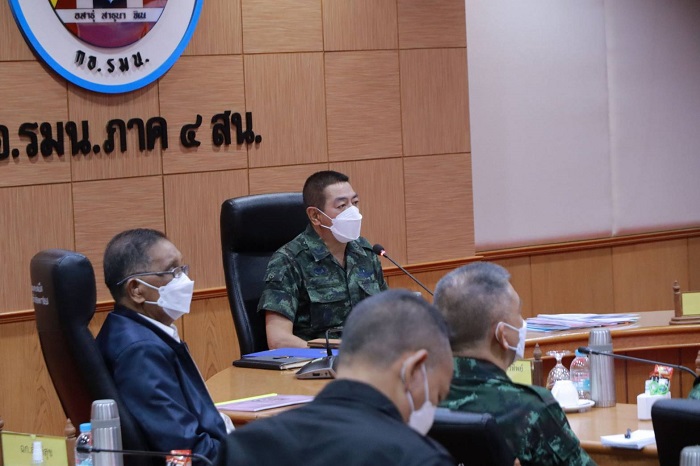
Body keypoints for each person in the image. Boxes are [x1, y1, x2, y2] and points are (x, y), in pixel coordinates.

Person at [220, 289, 455, 466]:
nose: (432, 408)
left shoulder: (245, 446)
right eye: (436, 396)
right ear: (413, 370)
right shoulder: (419, 458)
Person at [433, 262, 596, 466]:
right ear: (503, 335)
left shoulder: (416, 401)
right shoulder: (531, 408)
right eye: (519, 313)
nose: (523, 323)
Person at [97, 228, 232, 462]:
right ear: (136, 289)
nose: (185, 280)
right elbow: (185, 450)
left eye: (182, 268)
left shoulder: (132, 330)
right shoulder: (140, 352)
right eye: (172, 271)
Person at [258, 170, 388, 349]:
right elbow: (278, 340)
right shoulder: (288, 261)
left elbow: (387, 315)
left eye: (355, 202)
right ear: (315, 216)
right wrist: (343, 351)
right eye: (342, 206)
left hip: (372, 356)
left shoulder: (365, 251)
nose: (353, 212)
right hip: (318, 361)